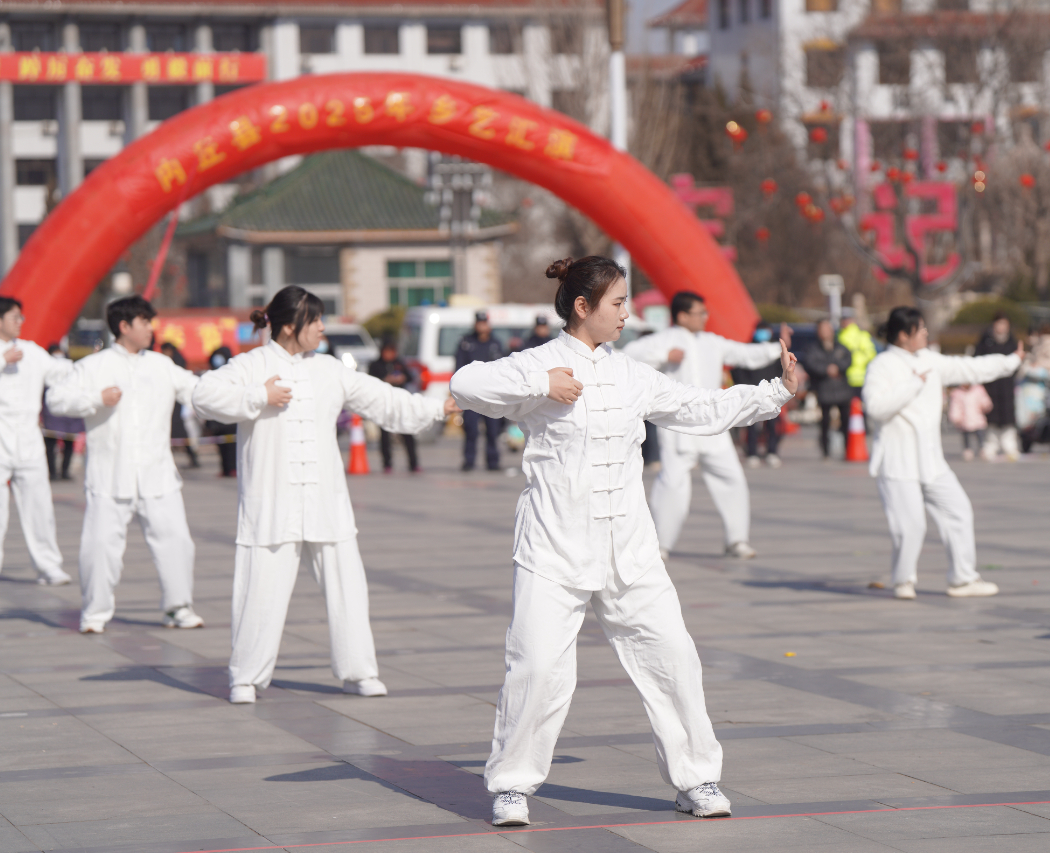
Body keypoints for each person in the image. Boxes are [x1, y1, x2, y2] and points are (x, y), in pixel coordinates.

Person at [449, 256, 797, 827]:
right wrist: (541, 384)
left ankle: (696, 778)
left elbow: (698, 407)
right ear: (582, 306)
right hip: (554, 548)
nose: (626, 313)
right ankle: (511, 785)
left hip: (630, 551)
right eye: (617, 303)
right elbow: (465, 383)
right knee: (536, 667)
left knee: (674, 659)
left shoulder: (632, 373)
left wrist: (774, 391)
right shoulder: (539, 364)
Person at [192, 286, 455, 704]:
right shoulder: (251, 365)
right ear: (288, 326)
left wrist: (435, 408)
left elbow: (383, 400)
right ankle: (246, 677)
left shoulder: (330, 369)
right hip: (271, 502)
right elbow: (203, 396)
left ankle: (358, 672)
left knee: (348, 589)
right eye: (314, 320)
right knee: (259, 590)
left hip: (325, 500)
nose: (321, 328)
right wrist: (259, 396)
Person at [46, 296, 203, 633]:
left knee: (177, 542)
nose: (150, 329)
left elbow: (198, 390)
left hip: (157, 474)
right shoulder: (93, 366)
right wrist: (95, 399)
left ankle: (178, 608)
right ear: (124, 326)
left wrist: (244, 392)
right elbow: (56, 399)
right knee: (100, 547)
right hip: (109, 476)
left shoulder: (162, 365)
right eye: (144, 322)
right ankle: (95, 612)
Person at [862, 306, 1022, 600]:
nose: (925, 333)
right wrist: (913, 385)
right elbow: (875, 407)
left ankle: (962, 579)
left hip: (931, 461)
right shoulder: (881, 366)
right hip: (898, 462)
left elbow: (969, 368)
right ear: (903, 335)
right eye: (920, 328)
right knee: (910, 527)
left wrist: (1010, 361)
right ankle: (903, 580)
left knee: (958, 511)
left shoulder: (930, 360)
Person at [624, 291, 789, 559]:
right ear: (682, 316)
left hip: (714, 426)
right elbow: (628, 356)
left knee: (732, 479)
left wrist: (776, 348)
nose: (704, 317)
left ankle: (737, 540)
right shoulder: (662, 341)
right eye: (699, 313)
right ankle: (660, 544)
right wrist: (664, 355)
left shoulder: (712, 342)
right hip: (677, 429)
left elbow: (744, 353)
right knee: (672, 485)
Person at [0, 297, 73, 586]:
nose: (20, 322)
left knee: (39, 507)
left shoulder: (31, 351)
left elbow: (60, 371)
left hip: (29, 440)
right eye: (15, 317)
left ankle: (48, 566)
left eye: (21, 317)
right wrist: (2, 361)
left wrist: (94, 365)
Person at [456, 311, 506, 471]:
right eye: (479, 323)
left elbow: (502, 368)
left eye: (484, 323)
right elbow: (458, 368)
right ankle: (469, 461)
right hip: (472, 394)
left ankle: (493, 461)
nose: (482, 326)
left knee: (493, 429)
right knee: (471, 429)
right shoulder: (466, 343)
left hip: (491, 394)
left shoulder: (495, 343)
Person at [733, 322, 785, 468]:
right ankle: (752, 453)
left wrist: (778, 389)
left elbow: (782, 370)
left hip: (772, 394)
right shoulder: (747, 349)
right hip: (752, 393)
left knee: (772, 424)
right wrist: (746, 388)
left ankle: (772, 452)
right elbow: (738, 371)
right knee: (751, 424)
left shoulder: (775, 352)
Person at [802, 318, 854, 460]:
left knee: (845, 421)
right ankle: (825, 451)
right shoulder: (813, 348)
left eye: (827, 328)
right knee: (825, 422)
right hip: (824, 389)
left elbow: (848, 359)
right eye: (822, 329)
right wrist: (826, 369)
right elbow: (811, 364)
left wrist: (838, 368)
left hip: (842, 389)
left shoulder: (840, 347)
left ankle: (847, 449)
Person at [974, 314, 1020, 462]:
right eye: (999, 323)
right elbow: (977, 360)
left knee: (1008, 419)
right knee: (991, 418)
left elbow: (1017, 362)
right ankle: (990, 446)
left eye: (1004, 324)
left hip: (1007, 386)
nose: (1001, 327)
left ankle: (1010, 447)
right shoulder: (986, 341)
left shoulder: (1012, 341)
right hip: (990, 385)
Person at [368, 339, 420, 473]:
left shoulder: (399, 363)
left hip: (399, 403)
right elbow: (370, 381)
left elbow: (410, 377)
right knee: (385, 436)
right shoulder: (375, 365)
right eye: (387, 351)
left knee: (407, 432)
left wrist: (402, 378)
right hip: (384, 404)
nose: (390, 354)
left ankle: (413, 463)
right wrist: (385, 380)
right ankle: (387, 463)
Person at [42, 342, 82, 481]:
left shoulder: (72, 367)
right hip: (50, 410)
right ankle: (52, 471)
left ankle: (65, 471)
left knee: (69, 442)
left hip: (69, 410)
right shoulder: (45, 367)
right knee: (50, 442)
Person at [160, 342, 201, 469]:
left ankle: (193, 457)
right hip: (171, 402)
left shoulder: (175, 362)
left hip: (177, 403)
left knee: (181, 432)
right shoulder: (167, 361)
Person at [201, 347, 239, 478]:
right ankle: (225, 468)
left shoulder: (233, 374)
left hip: (231, 418)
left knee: (232, 446)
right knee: (221, 445)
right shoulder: (212, 376)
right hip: (218, 419)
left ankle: (233, 468)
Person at [836, 311, 878, 400]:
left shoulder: (861, 335)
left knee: (858, 405)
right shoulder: (837, 335)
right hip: (842, 378)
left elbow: (871, 353)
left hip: (859, 378)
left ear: (852, 320)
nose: (845, 322)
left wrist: (855, 361)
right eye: (843, 319)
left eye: (847, 319)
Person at [948, 384, 992, 463]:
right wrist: (955, 417)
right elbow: (955, 406)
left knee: (980, 435)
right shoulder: (957, 393)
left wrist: (986, 405)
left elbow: (984, 400)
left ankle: (982, 448)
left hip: (978, 418)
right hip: (965, 420)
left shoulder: (978, 390)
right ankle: (967, 449)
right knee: (966, 436)